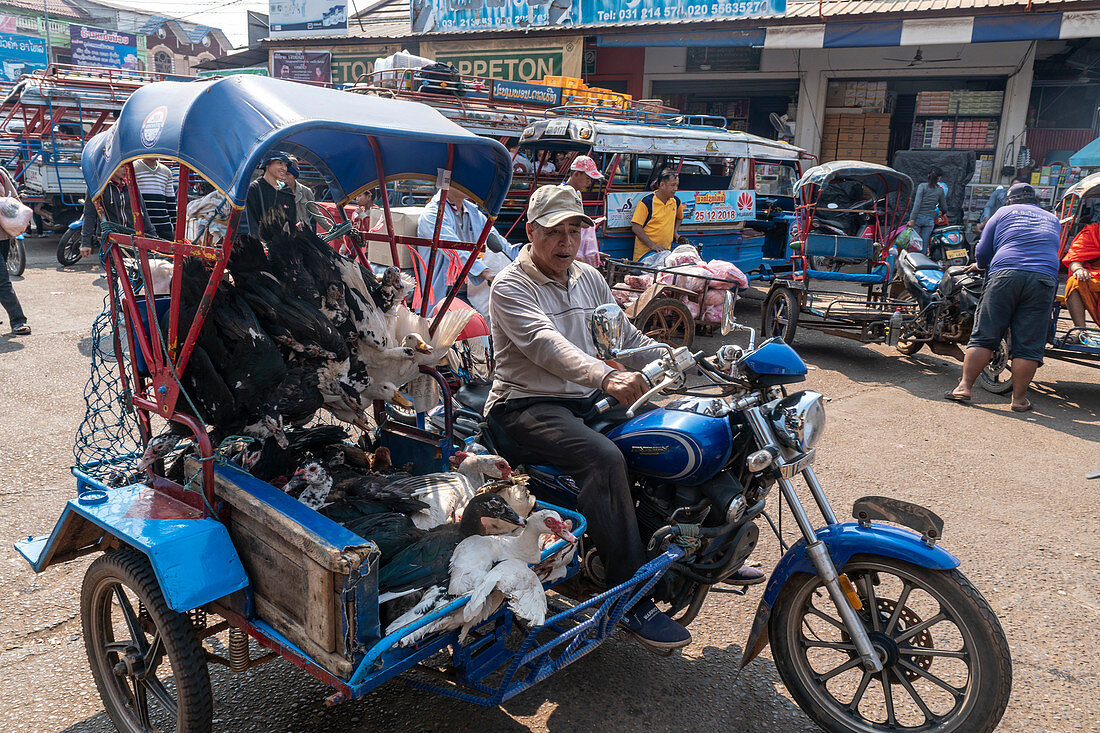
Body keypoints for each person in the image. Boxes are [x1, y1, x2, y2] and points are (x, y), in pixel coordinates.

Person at [486, 185, 761, 654]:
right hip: (523, 407)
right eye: (555, 231)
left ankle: (699, 545)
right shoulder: (511, 286)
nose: (566, 241)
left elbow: (622, 337)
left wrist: (688, 359)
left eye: (574, 230)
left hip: (583, 398)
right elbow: (545, 345)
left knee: (677, 433)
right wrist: (603, 376)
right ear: (532, 232)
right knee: (604, 459)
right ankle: (629, 597)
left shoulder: (588, 278)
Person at [946, 183, 1061, 412]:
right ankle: (1018, 401)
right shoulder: (1052, 219)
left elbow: (983, 250)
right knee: (1028, 344)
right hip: (1044, 278)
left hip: (1006, 274)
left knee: (985, 334)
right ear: (1036, 201)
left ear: (1010, 200)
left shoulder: (1003, 212)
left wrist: (980, 265)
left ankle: (964, 388)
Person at [414, 185, 511, 314]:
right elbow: (454, 249)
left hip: (472, 291)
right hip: (447, 295)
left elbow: (497, 240)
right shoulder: (432, 214)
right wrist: (485, 272)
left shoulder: (472, 211)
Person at [631, 167, 686, 263]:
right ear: (662, 185)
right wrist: (652, 245)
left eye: (677, 185)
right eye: (673, 185)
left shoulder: (676, 202)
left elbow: (679, 218)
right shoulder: (647, 202)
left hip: (664, 255)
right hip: (644, 257)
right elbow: (636, 227)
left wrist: (674, 232)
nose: (675, 189)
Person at [1061, 218, 1100, 344]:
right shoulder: (1094, 231)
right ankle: (1080, 331)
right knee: (1075, 281)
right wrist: (1078, 269)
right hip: (1095, 279)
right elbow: (1075, 260)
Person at [0, 165, 28, 335]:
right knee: (3, 280)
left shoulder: (1, 173)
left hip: (3, 236)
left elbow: (14, 198)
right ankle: (18, 320)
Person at [563, 155, 604, 267]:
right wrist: (583, 224)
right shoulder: (563, 193)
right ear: (576, 174)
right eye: (587, 178)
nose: (589, 182)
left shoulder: (578, 194)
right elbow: (564, 220)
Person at [244, 152, 297, 235]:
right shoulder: (255, 188)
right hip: (261, 244)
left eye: (285, 165)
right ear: (267, 164)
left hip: (283, 245)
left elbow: (292, 223)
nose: (284, 168)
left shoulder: (286, 191)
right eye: (280, 163)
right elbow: (252, 222)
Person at [132, 157, 176, 240]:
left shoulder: (166, 172)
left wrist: (175, 226)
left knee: (167, 252)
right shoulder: (133, 168)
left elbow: (170, 202)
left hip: (163, 224)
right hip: (142, 225)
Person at [908, 168, 948, 251]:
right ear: (939, 178)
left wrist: (912, 219)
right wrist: (942, 211)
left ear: (928, 175)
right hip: (929, 219)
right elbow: (944, 207)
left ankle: (913, 260)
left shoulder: (922, 186)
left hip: (917, 218)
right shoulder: (940, 190)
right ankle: (923, 261)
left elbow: (917, 204)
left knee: (914, 243)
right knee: (924, 243)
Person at [283, 156, 317, 231]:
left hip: (304, 233)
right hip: (286, 234)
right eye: (283, 174)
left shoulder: (306, 191)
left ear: (294, 175)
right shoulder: (279, 191)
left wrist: (331, 229)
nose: (285, 177)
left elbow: (316, 215)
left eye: (288, 174)